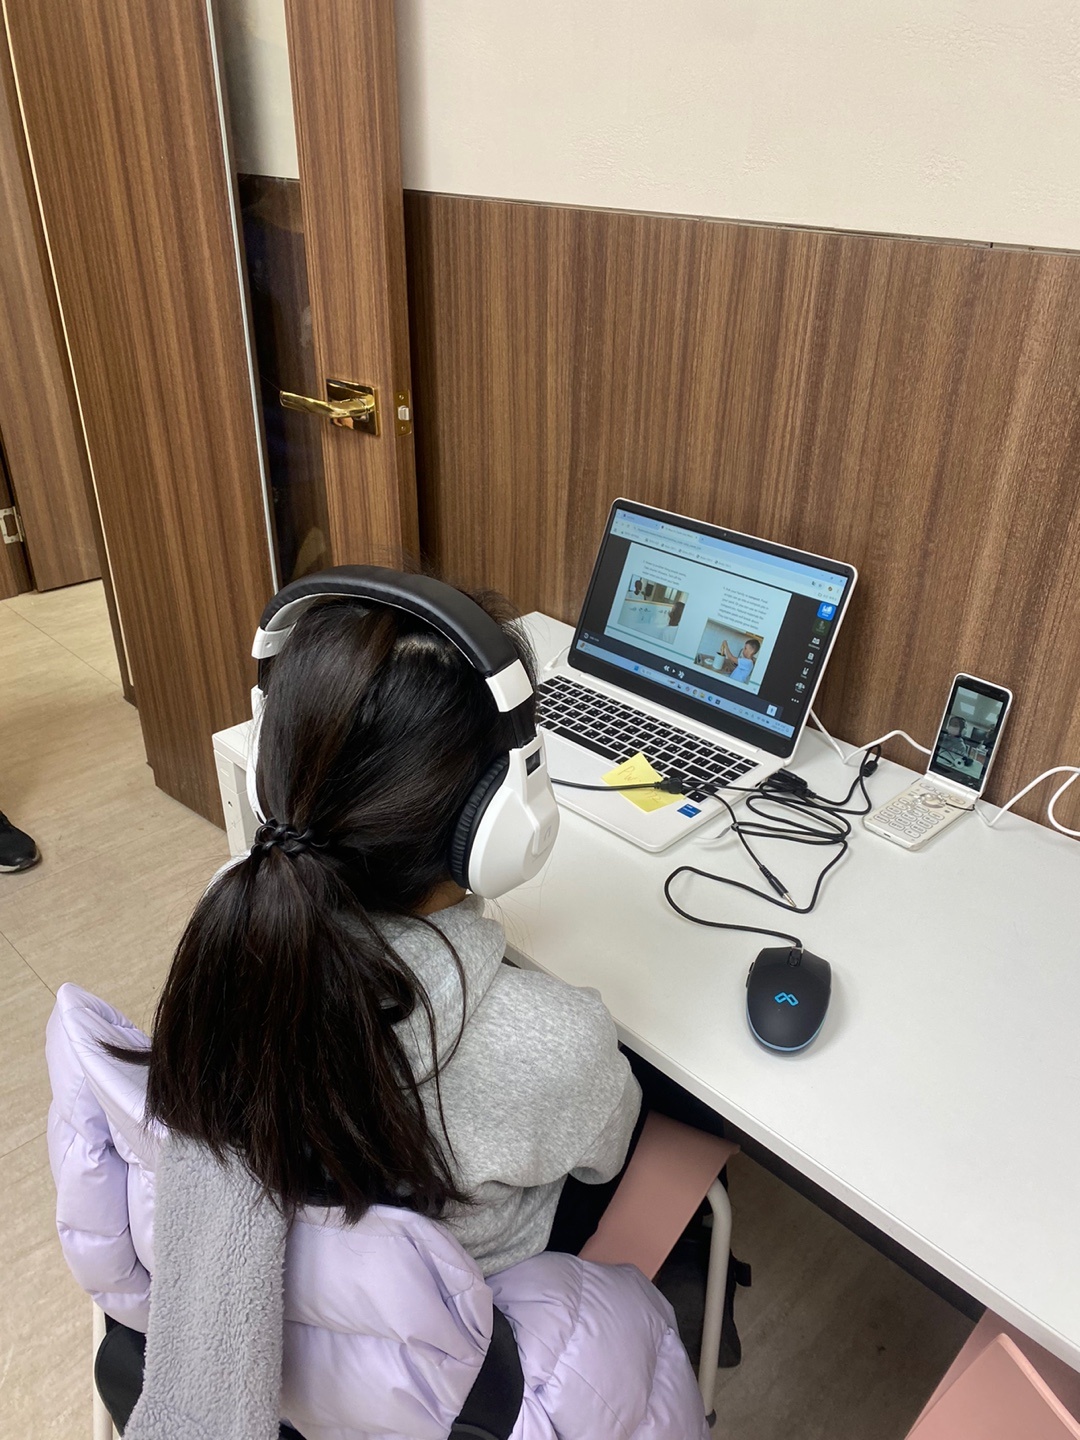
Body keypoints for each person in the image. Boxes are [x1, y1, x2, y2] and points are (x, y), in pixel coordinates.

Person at [110, 588, 642, 1273]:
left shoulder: (231, 909)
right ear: (494, 822)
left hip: (322, 1285)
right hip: (470, 1304)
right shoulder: (555, 1040)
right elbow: (607, 1157)